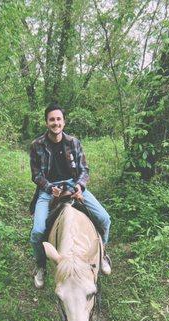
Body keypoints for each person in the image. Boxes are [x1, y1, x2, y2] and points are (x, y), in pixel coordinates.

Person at [29, 104, 111, 288]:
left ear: (63, 122)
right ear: (46, 122)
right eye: (52, 119)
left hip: (73, 185)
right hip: (48, 190)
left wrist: (80, 186)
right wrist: (50, 188)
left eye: (58, 119)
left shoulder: (73, 142)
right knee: (37, 232)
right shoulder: (37, 145)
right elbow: (36, 175)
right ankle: (41, 265)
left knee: (104, 219)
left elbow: (84, 169)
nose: (55, 123)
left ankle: (102, 253)